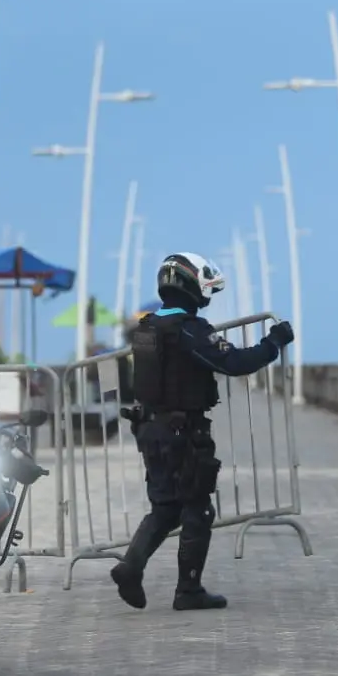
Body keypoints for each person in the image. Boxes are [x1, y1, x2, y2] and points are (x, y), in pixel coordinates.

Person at [111, 252, 295, 611]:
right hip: (182, 432)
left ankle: (130, 566)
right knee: (197, 509)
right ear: (192, 286)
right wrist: (273, 342)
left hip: (149, 429)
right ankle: (188, 590)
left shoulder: (146, 327)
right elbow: (235, 362)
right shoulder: (188, 330)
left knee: (164, 508)